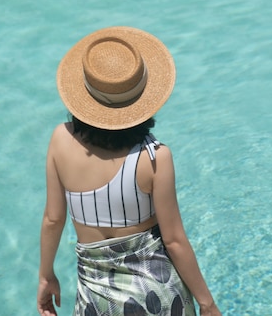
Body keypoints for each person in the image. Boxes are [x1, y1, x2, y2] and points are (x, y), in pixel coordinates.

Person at [37, 26, 222, 316]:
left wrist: (46, 276)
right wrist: (207, 303)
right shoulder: (155, 158)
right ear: (143, 101)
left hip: (98, 302)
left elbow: (53, 219)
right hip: (159, 295)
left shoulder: (60, 140)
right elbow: (174, 241)